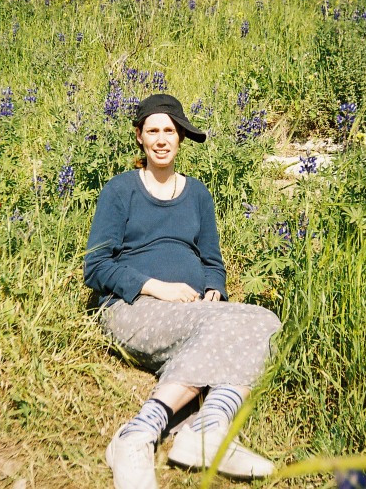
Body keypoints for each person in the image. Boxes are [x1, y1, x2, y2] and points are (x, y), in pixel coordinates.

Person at [84, 93, 282, 488]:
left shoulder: (198, 194)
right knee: (232, 326)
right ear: (139, 136)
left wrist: (214, 290)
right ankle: (137, 434)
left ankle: (208, 430)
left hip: (192, 311)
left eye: (169, 131)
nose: (161, 140)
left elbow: (213, 262)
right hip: (133, 307)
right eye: (153, 131)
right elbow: (97, 266)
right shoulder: (120, 190)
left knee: (266, 322)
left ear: (181, 138)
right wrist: (157, 288)